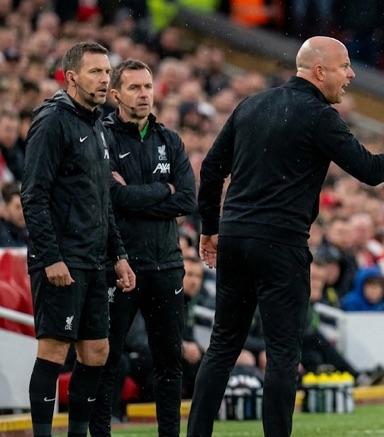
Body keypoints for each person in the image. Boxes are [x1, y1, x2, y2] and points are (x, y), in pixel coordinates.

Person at [188, 36, 384, 437]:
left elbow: (212, 168)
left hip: (234, 237)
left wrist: (210, 228)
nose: (351, 74)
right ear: (319, 71)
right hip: (281, 241)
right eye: (344, 66)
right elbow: (371, 171)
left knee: (222, 346)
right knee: (283, 353)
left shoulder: (251, 105)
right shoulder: (319, 116)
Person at [21, 42, 136, 437]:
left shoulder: (96, 124)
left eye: (107, 72)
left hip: (94, 259)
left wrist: (119, 254)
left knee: (96, 352)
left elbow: (102, 200)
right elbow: (33, 195)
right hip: (62, 258)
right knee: (54, 350)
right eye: (95, 72)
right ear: (71, 77)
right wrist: (50, 257)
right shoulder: (52, 121)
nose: (105, 79)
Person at [89, 59, 196, 437]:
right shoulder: (101, 137)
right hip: (119, 264)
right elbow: (109, 197)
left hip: (167, 264)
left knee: (170, 362)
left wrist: (134, 196)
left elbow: (187, 199)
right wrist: (163, 190)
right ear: (115, 94)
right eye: (134, 87)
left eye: (148, 86)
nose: (144, 94)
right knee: (108, 357)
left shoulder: (170, 139)